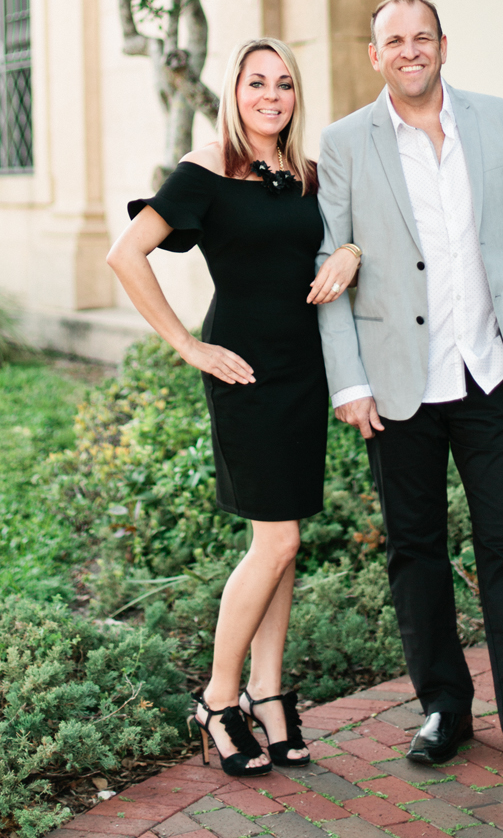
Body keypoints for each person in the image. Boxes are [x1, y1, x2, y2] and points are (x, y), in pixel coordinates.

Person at [315, 0, 503, 790]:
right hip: (395, 384)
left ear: (444, 46)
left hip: (493, 373)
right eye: (394, 40)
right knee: (417, 552)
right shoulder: (346, 141)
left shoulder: (498, 119)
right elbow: (329, 264)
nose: (410, 50)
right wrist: (347, 379)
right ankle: (444, 707)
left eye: (423, 36)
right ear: (373, 54)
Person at [107, 38, 359, 778]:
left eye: (283, 84)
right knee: (273, 542)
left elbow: (343, 243)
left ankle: (269, 692)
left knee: (288, 541)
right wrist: (187, 345)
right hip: (243, 368)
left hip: (302, 369)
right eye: (257, 83)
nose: (271, 96)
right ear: (235, 91)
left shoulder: (309, 175)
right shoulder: (208, 167)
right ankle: (219, 699)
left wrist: (353, 253)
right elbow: (127, 253)